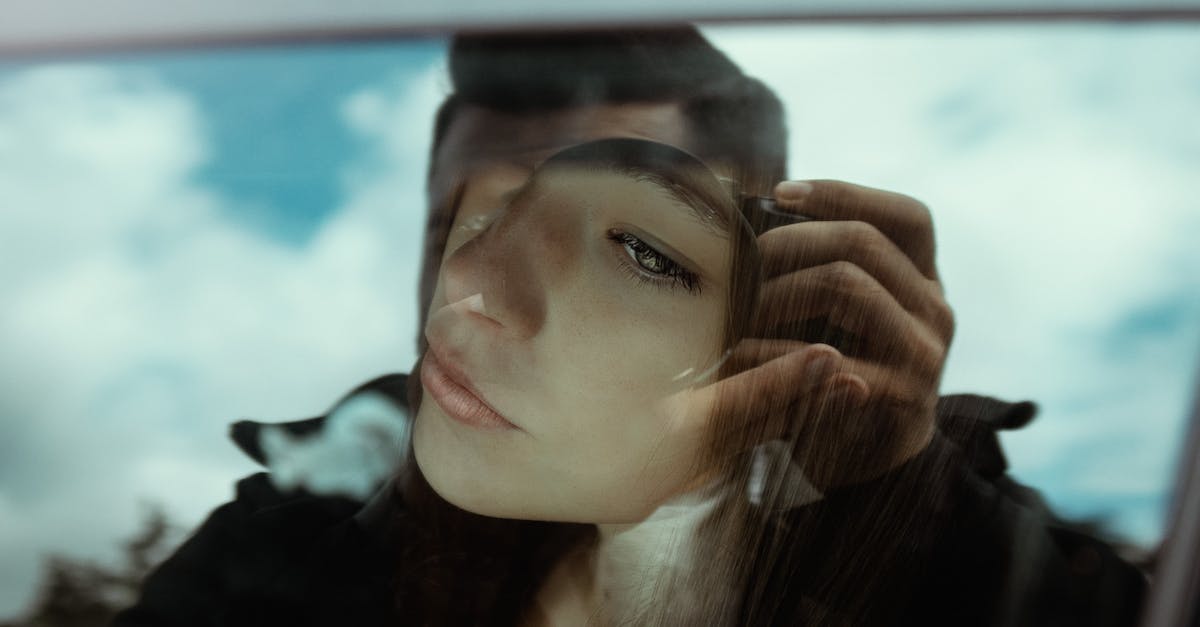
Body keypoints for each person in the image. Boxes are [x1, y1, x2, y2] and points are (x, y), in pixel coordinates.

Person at [112, 27, 1147, 626]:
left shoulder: (931, 522)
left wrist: (904, 508)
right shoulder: (302, 525)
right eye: (463, 226)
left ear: (773, 272)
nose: (476, 299)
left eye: (633, 248)